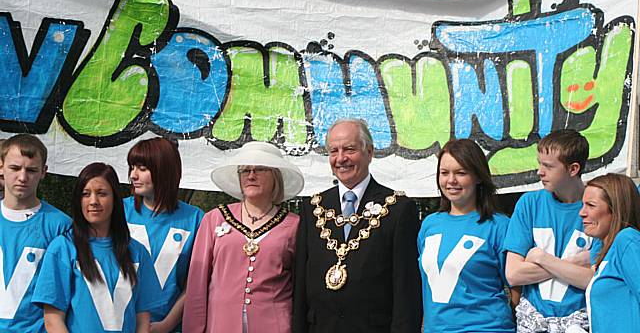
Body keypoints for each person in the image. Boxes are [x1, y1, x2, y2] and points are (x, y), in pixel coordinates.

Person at [293, 119, 422, 333]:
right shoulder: (312, 208)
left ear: (369, 152)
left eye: (349, 149)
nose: (341, 158)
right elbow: (301, 288)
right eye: (334, 151)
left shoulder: (398, 210)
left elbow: (406, 293)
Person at [183, 141, 304, 333]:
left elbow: (301, 287)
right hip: (221, 325)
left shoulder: (295, 225)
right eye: (245, 170)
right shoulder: (214, 219)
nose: (251, 175)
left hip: (275, 325)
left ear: (275, 175)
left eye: (259, 169)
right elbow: (197, 284)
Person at [32, 162, 161, 333]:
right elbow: (53, 318)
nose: (93, 201)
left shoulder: (137, 252)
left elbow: (143, 318)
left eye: (101, 193)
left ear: (115, 198)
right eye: (86, 194)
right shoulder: (63, 248)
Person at [418, 138, 516, 332]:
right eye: (444, 173)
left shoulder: (499, 226)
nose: (451, 180)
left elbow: (517, 287)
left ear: (478, 176)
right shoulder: (429, 225)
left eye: (461, 173)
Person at [504, 129, 596, 332]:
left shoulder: (597, 205)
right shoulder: (529, 204)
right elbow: (513, 274)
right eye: (539, 163)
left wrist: (540, 257)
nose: (540, 172)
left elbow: (592, 279)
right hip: (533, 321)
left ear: (573, 169)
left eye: (548, 166)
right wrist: (575, 263)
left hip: (581, 323)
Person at [125, 137, 204, 332]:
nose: (133, 175)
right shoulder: (118, 211)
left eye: (142, 169)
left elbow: (195, 283)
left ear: (164, 170)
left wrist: (166, 325)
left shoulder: (195, 219)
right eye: (132, 167)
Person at [0, 134, 71, 333]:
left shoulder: (62, 226)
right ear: (1, 167)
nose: (22, 177)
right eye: (15, 168)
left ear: (43, 172)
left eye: (31, 170)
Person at [581, 173, 640, 332]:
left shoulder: (627, 240)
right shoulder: (607, 251)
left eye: (591, 205)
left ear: (615, 208)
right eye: (583, 205)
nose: (582, 213)